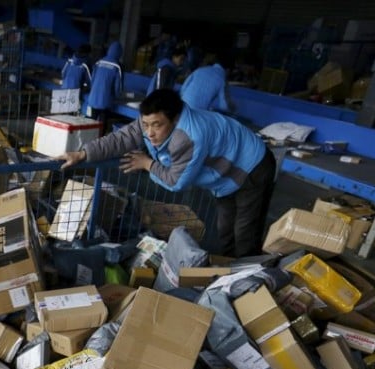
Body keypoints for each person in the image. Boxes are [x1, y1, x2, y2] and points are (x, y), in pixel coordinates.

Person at [59, 89, 275, 258]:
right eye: (145, 124)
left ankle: (250, 288)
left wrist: (147, 164)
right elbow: (120, 139)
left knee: (245, 233)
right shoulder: (150, 124)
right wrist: (83, 153)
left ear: (175, 119)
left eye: (157, 125)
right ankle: (230, 274)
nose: (149, 132)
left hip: (252, 166)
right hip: (225, 176)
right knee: (226, 231)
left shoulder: (189, 137)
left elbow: (176, 181)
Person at [88, 41, 124, 134]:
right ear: (119, 53)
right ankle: (99, 143)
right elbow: (117, 88)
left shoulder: (99, 62)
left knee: (91, 122)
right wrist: (117, 96)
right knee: (102, 125)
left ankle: (87, 140)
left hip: (93, 98)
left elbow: (92, 81)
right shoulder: (117, 66)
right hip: (105, 100)